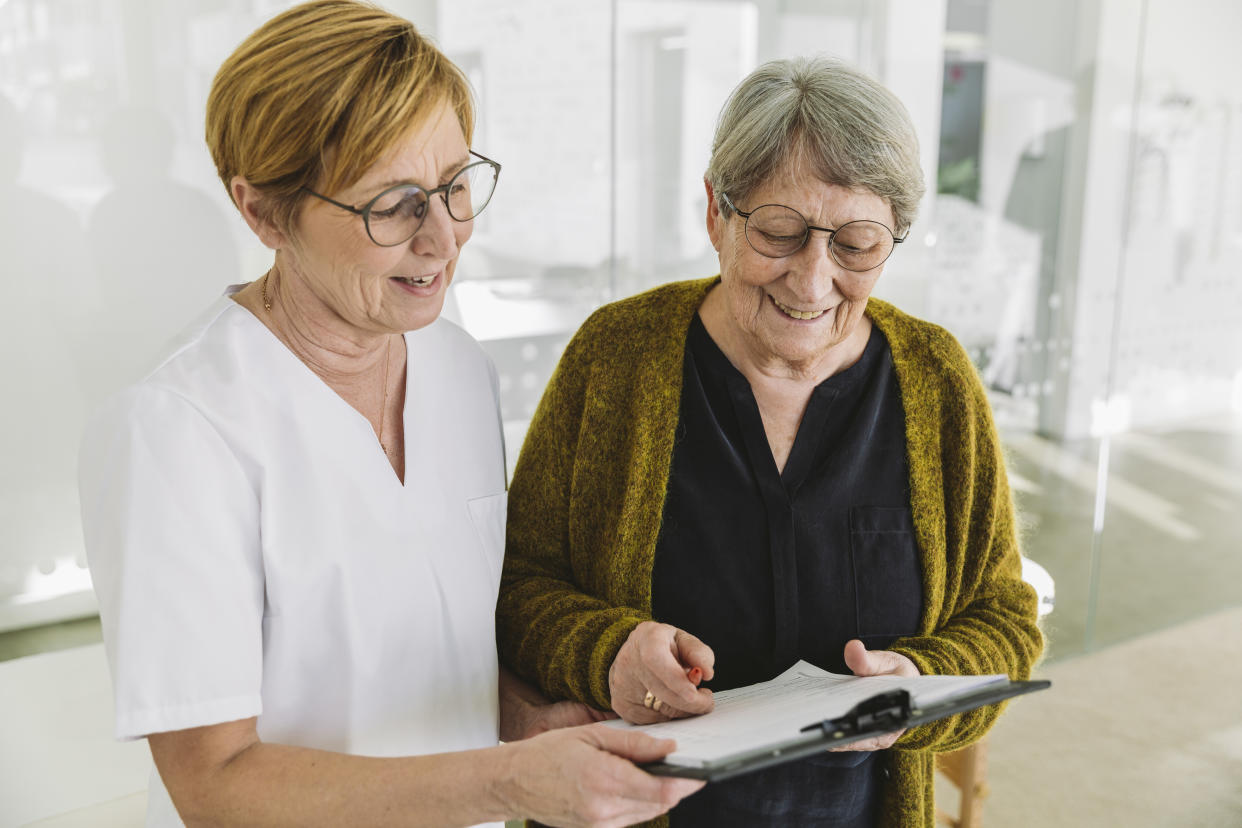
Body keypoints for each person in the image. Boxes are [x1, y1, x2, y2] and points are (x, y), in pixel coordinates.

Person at [77, 2, 702, 826]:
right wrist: (511, 781)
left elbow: (433, 653)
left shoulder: (456, 370)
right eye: (394, 204)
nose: (444, 239)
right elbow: (216, 784)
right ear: (262, 211)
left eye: (454, 187)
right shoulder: (178, 431)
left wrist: (534, 729)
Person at [497, 56, 1044, 827]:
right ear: (716, 213)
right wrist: (609, 651)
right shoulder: (615, 358)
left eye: (857, 244)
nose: (813, 282)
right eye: (781, 233)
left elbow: (1004, 622)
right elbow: (517, 587)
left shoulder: (939, 383)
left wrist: (918, 679)